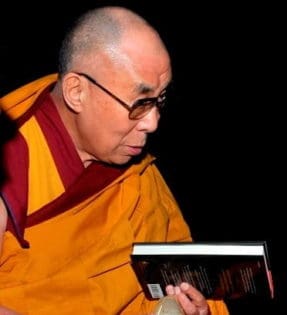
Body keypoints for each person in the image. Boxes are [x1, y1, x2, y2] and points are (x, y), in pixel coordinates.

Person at [0, 6, 229, 315]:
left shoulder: (135, 174)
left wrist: (195, 307)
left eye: (160, 100)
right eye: (140, 103)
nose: (152, 122)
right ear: (76, 92)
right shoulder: (9, 157)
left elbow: (176, 280)